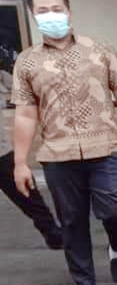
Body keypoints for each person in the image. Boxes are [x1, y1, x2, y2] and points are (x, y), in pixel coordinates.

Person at [10, 0, 117, 285]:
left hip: (105, 146)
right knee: (72, 220)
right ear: (34, 17)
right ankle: (84, 281)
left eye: (56, 8)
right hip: (58, 154)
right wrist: (20, 162)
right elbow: (24, 114)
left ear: (69, 11)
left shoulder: (100, 50)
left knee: (116, 208)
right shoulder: (27, 62)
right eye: (43, 11)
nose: (52, 16)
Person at [0, 65, 62, 249]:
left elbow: (26, 90)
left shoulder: (3, 76)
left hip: (1, 152)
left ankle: (52, 232)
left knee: (27, 192)